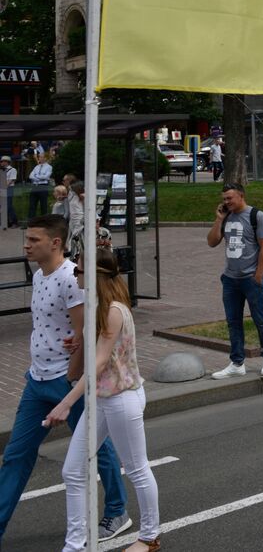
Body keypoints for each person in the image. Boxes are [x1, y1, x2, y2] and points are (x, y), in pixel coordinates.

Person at [0, 216, 130, 545]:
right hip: (37, 379)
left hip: (66, 380)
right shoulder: (38, 273)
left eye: (34, 240)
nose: (26, 245)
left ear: (55, 243)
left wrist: (74, 380)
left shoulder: (71, 279)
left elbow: (86, 334)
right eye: (26, 239)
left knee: (96, 450)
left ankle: (116, 511)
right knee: (16, 455)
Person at [50, 248, 162, 552]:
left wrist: (66, 402)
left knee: (137, 468)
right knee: (73, 470)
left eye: (78, 271)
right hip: (103, 398)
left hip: (121, 398)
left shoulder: (113, 309)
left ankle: (150, 538)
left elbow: (98, 363)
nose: (75, 276)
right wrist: (80, 340)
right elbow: (101, 349)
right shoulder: (98, 305)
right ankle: (74, 545)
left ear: (95, 275)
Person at [206, 183, 263, 378]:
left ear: (241, 196)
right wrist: (218, 219)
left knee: (260, 319)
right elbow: (212, 242)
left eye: (230, 198)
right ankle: (237, 362)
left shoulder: (257, 216)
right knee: (233, 321)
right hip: (230, 279)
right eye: (224, 199)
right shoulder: (226, 216)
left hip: (251, 278)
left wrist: (258, 275)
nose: (226, 202)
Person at [27, 151, 53, 220]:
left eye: (41, 157)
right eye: (39, 157)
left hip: (43, 186)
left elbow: (46, 177)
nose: (39, 158)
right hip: (34, 187)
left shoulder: (49, 167)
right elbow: (30, 176)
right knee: (32, 205)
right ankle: (31, 222)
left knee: (43, 205)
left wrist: (36, 176)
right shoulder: (37, 166)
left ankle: (43, 222)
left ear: (45, 158)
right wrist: (39, 177)